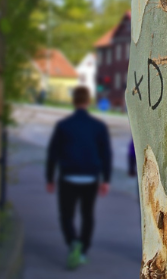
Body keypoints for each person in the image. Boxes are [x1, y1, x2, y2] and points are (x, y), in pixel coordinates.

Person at [45, 86, 112, 270]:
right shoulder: (98, 127)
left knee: (66, 215)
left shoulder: (63, 126)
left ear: (74, 101)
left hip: (68, 177)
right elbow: (106, 154)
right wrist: (106, 179)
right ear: (88, 101)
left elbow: (53, 154)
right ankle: (82, 250)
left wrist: (50, 178)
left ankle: (73, 242)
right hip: (90, 178)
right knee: (87, 215)